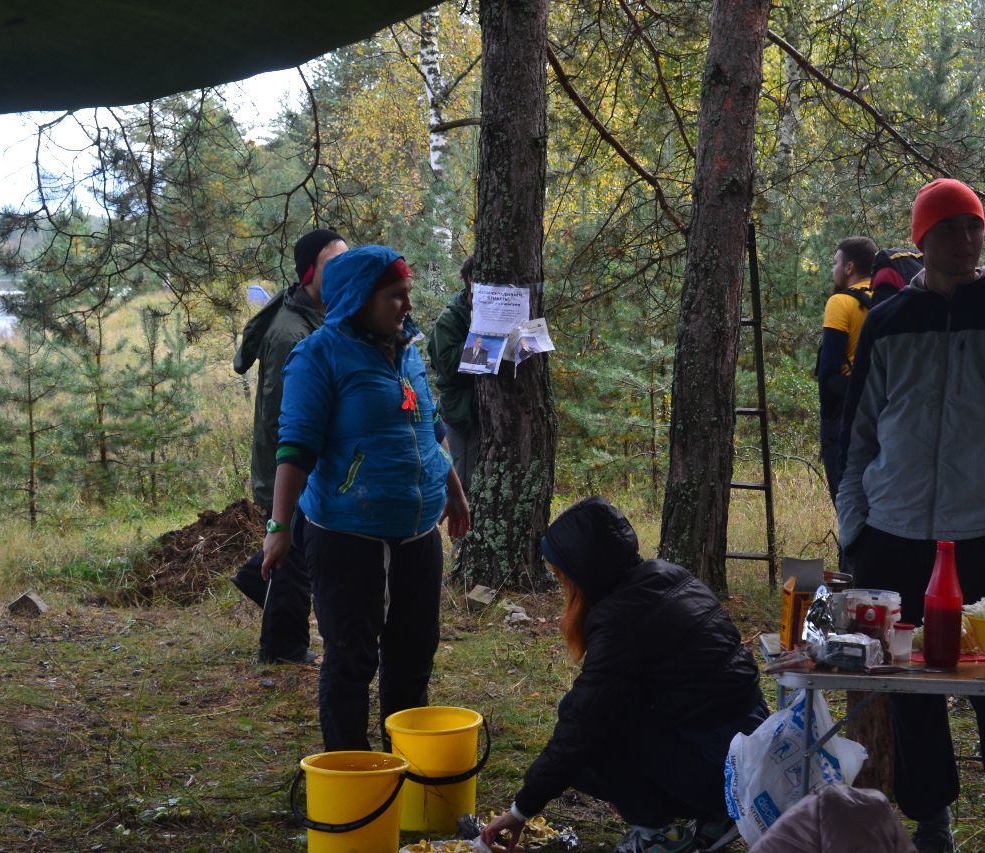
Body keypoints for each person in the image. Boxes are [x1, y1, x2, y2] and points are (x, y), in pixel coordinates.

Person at [835, 178, 985, 853]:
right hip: (894, 534)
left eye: (976, 226)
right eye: (952, 228)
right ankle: (929, 817)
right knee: (912, 690)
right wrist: (856, 529)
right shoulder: (886, 321)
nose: (967, 241)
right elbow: (856, 440)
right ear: (922, 239)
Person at [262, 244, 471, 751]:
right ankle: (350, 771)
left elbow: (429, 426)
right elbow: (294, 446)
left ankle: (403, 766)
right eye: (394, 296)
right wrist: (279, 527)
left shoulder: (408, 348)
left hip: (417, 533)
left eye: (408, 295)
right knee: (352, 657)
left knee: (414, 651)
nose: (406, 306)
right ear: (358, 298)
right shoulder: (319, 355)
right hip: (348, 535)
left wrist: (455, 493)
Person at [481, 497, 767, 853]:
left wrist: (521, 809)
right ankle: (716, 813)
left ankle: (658, 832)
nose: (560, 586)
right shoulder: (669, 575)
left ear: (582, 572)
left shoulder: (621, 620)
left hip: (722, 768)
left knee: (586, 731)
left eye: (561, 576)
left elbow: (582, 723)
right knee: (601, 713)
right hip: (751, 751)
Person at [230, 228, 348, 665]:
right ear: (310, 274)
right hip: (287, 459)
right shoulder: (288, 333)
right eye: (334, 264)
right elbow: (285, 417)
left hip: (305, 458)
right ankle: (284, 648)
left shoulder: (317, 312)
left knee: (294, 545)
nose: (344, 272)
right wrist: (294, 470)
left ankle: (252, 577)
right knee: (292, 553)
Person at [818, 236, 877, 502]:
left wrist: (828, 420)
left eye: (835, 263)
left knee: (846, 495)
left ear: (849, 267)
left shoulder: (840, 302)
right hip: (883, 406)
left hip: (846, 410)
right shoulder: (888, 297)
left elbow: (829, 366)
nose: (833, 269)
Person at [427, 257, 481, 492]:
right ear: (470, 279)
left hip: (486, 415)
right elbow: (448, 366)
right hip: (459, 413)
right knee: (461, 480)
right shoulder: (450, 319)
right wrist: (487, 343)